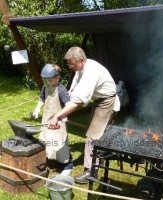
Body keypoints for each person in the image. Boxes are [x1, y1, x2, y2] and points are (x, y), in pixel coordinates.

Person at [48, 47, 120, 184]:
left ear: (81, 60)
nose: (69, 67)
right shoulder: (80, 68)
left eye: (71, 64)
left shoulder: (91, 73)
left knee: (92, 136)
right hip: (99, 99)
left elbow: (78, 102)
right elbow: (76, 85)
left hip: (106, 101)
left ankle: (90, 172)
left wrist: (57, 116)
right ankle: (99, 157)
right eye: (68, 64)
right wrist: (69, 94)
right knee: (95, 133)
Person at [31, 63, 73, 175]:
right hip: (47, 120)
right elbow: (42, 99)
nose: (48, 82)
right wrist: (37, 109)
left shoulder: (61, 90)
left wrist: (59, 117)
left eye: (50, 79)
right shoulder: (45, 88)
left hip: (58, 121)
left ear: (57, 77)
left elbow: (69, 105)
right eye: (46, 80)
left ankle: (67, 164)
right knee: (48, 142)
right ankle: (52, 160)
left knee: (60, 143)